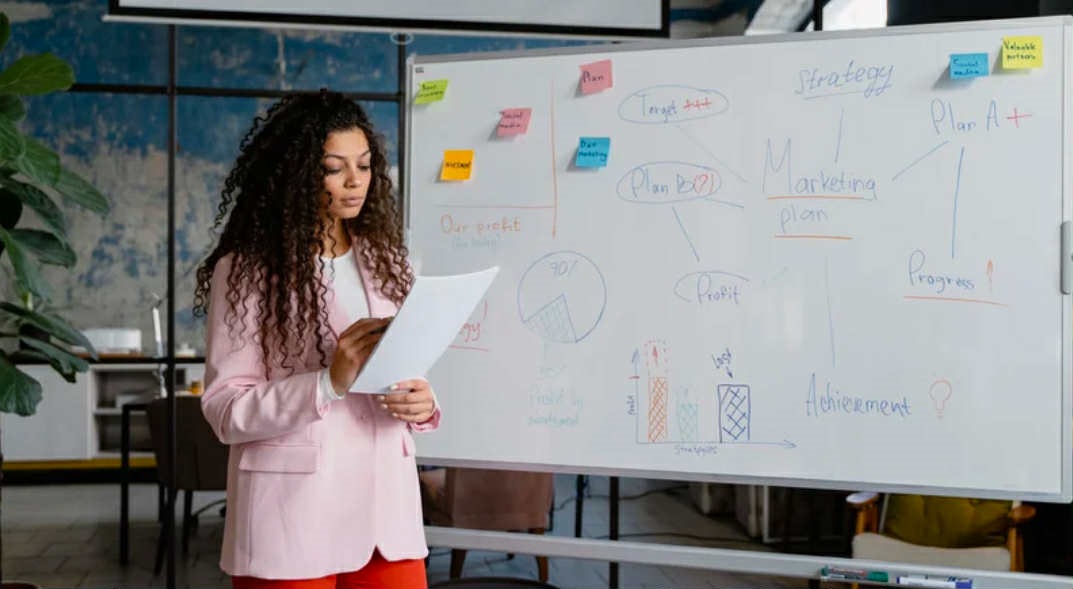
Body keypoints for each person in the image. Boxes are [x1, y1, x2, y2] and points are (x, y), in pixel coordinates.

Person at [193, 91, 439, 589]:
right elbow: (224, 409)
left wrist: (424, 402)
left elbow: (404, 370)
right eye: (334, 168)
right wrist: (328, 382)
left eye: (365, 165)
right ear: (298, 174)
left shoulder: (393, 264)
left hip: (384, 517)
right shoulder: (246, 271)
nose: (355, 181)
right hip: (293, 516)